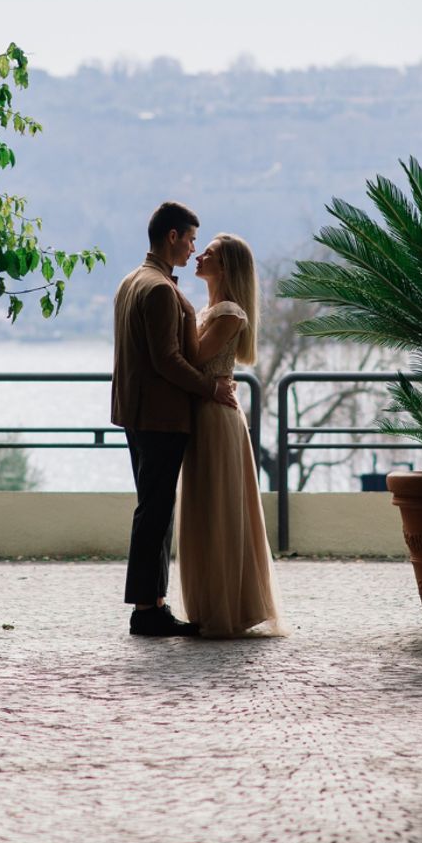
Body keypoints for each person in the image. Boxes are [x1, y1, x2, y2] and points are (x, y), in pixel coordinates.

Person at [112, 201, 236, 638]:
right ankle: (146, 609)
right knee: (155, 511)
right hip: (160, 417)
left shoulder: (132, 281)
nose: (192, 248)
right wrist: (211, 388)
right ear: (172, 237)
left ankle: (154, 603)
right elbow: (168, 360)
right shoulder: (161, 289)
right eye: (190, 240)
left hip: (135, 413)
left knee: (153, 509)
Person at [176, 233, 286, 638]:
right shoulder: (210, 311)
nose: (199, 255)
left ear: (226, 268)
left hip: (216, 417)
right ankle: (211, 604)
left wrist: (180, 312)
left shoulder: (227, 313)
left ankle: (227, 607)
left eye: (210, 254)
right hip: (206, 413)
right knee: (208, 510)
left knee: (220, 510)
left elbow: (197, 358)